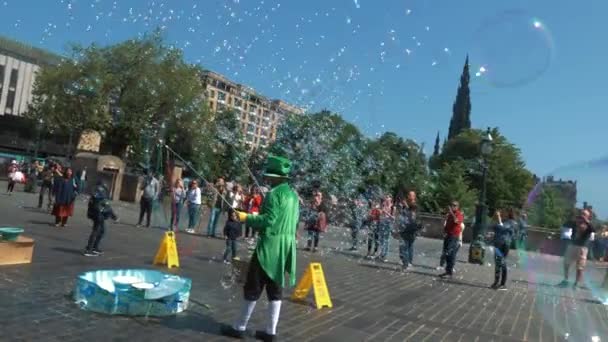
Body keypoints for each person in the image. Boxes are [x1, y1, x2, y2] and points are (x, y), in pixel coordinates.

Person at [221, 155, 299, 342]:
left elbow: (268, 222)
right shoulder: (294, 196)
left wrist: (245, 217)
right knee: (275, 289)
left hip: (269, 247)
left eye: (270, 176)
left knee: (253, 286)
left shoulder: (274, 194)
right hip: (285, 247)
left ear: (276, 177)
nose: (268, 179)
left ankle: (239, 327)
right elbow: (291, 221)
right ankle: (270, 332)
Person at [560, 209, 596, 289]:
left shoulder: (589, 225)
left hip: (582, 248)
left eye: (584, 214)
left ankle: (576, 284)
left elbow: (593, 230)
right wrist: (575, 218)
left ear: (588, 216)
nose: (582, 215)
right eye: (581, 213)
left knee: (580, 267)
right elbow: (565, 224)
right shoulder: (575, 222)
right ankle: (565, 280)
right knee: (566, 263)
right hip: (572, 245)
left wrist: (586, 221)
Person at [84, 181, 118, 256]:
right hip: (98, 215)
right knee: (96, 231)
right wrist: (114, 216)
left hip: (95, 214)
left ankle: (94, 247)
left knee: (102, 231)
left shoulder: (95, 194)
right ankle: (89, 249)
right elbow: (107, 207)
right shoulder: (101, 195)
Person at [490, 209, 515, 290]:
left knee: (502, 263)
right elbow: (494, 228)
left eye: (504, 213)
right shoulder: (502, 221)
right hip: (498, 243)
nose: (502, 214)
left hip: (504, 244)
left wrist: (499, 218)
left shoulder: (511, 222)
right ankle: (496, 281)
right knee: (498, 263)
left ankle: (503, 283)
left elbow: (503, 229)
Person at [439, 201, 464, 279]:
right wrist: (444, 231)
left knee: (450, 253)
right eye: (452, 205)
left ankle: (449, 272)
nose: (453, 207)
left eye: (455, 205)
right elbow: (447, 224)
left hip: (454, 236)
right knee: (446, 252)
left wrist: (451, 213)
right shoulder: (450, 214)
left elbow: (456, 221)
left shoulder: (459, 214)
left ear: (458, 207)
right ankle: (447, 271)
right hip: (448, 235)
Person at [396, 191, 419, 270]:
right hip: (405, 228)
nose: (409, 196)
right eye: (409, 195)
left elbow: (411, 215)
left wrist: (405, 206)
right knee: (408, 246)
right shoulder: (406, 204)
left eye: (411, 195)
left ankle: (406, 263)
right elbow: (402, 214)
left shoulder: (414, 205)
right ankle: (408, 262)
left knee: (406, 246)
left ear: (414, 196)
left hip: (409, 229)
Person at [378, 194, 395, 262]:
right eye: (386, 197)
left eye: (388, 197)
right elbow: (380, 214)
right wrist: (381, 211)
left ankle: (385, 255)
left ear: (391, 199)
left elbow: (393, 218)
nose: (387, 198)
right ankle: (382, 253)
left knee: (386, 240)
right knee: (381, 239)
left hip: (388, 224)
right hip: (382, 223)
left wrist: (387, 213)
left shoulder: (393, 207)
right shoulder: (383, 206)